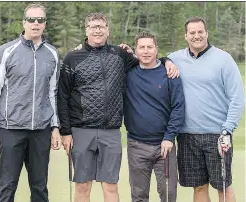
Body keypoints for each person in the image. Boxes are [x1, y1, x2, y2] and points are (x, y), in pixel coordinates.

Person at [58, 13, 178, 202]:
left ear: (108, 30)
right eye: (93, 26)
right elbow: (63, 96)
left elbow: (146, 60)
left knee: (111, 186)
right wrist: (65, 132)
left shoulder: (119, 54)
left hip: (111, 131)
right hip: (81, 130)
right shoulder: (72, 57)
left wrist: (166, 60)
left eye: (101, 26)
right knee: (82, 186)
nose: (97, 30)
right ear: (86, 30)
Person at [0, 3, 61, 202]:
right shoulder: (7, 51)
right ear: (24, 23)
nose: (35, 24)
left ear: (45, 24)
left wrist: (55, 126)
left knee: (40, 186)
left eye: (40, 20)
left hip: (40, 130)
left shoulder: (52, 54)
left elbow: (53, 93)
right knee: (7, 185)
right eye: (31, 20)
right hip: (11, 129)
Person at [167, 16, 244, 202]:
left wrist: (227, 130)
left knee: (222, 186)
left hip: (217, 134)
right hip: (187, 135)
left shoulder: (223, 59)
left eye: (200, 32)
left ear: (206, 33)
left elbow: (237, 98)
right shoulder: (175, 58)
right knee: (199, 186)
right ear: (186, 36)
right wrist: (166, 61)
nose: (196, 36)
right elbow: (152, 59)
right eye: (192, 33)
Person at [124, 31, 185, 202]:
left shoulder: (170, 74)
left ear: (156, 49)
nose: (146, 51)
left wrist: (169, 137)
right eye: (141, 47)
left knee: (168, 194)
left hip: (165, 146)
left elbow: (178, 108)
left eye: (150, 47)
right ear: (135, 51)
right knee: (138, 196)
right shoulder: (129, 73)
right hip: (136, 145)